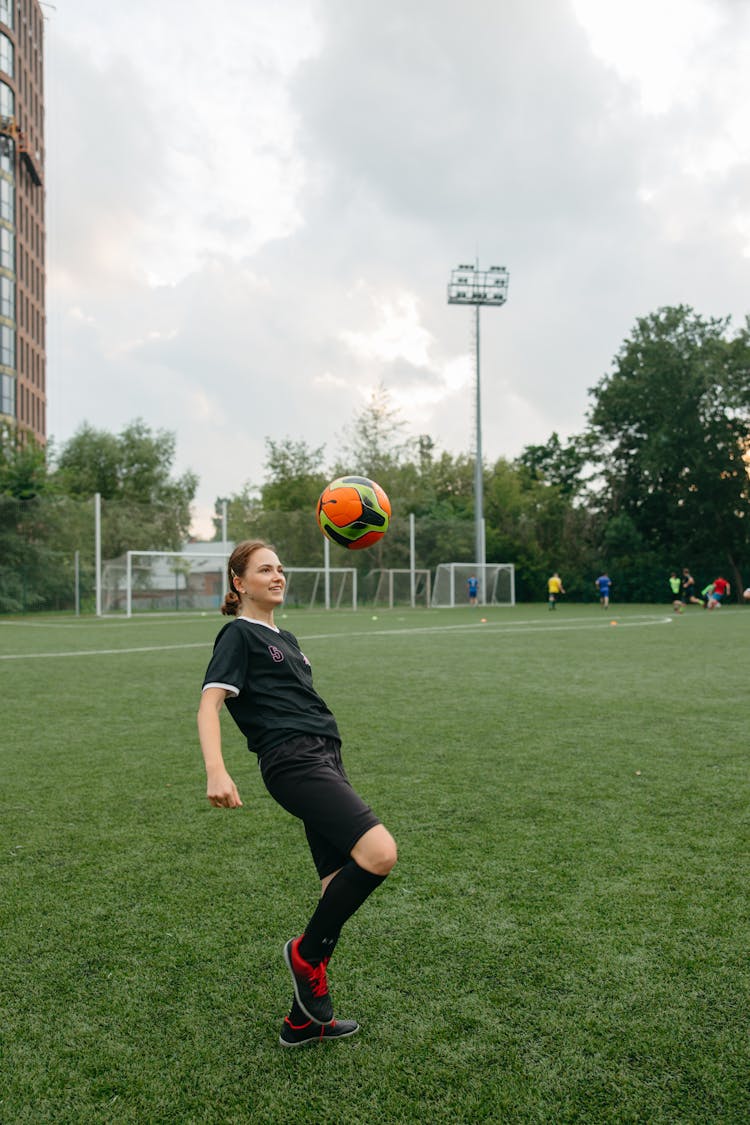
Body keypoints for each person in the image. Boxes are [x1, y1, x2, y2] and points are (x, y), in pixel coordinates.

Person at [197, 540, 397, 1048]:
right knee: (379, 853)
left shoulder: (285, 636)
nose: (278, 575)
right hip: (293, 760)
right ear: (240, 583)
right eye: (265, 569)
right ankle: (305, 956)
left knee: (335, 886)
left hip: (325, 755)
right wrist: (216, 770)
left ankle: (302, 1020)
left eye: (281, 568)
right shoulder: (238, 634)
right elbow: (209, 705)